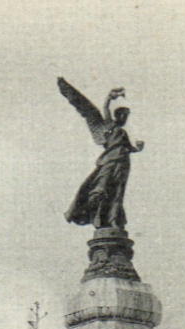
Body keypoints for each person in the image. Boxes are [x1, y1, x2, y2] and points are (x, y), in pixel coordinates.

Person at [59, 79, 144, 229]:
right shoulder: (109, 126)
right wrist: (110, 96)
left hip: (123, 162)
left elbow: (129, 148)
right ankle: (92, 208)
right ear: (118, 116)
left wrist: (138, 148)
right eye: (123, 115)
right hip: (109, 160)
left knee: (117, 193)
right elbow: (105, 109)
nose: (125, 118)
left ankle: (113, 219)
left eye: (127, 116)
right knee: (101, 187)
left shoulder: (123, 133)